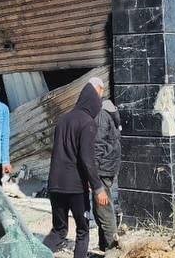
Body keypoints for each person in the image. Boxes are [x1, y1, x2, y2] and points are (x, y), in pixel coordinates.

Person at [42, 78, 110, 258]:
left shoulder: (63, 119)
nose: (100, 102)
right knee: (82, 230)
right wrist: (98, 188)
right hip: (75, 188)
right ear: (94, 96)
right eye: (100, 96)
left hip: (55, 185)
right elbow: (87, 158)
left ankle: (35, 255)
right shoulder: (87, 122)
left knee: (59, 231)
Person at [93, 92, 121, 252]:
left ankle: (112, 249)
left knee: (103, 209)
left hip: (102, 168)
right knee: (101, 207)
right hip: (108, 166)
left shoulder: (101, 115)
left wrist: (92, 171)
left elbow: (98, 144)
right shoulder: (109, 112)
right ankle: (105, 246)